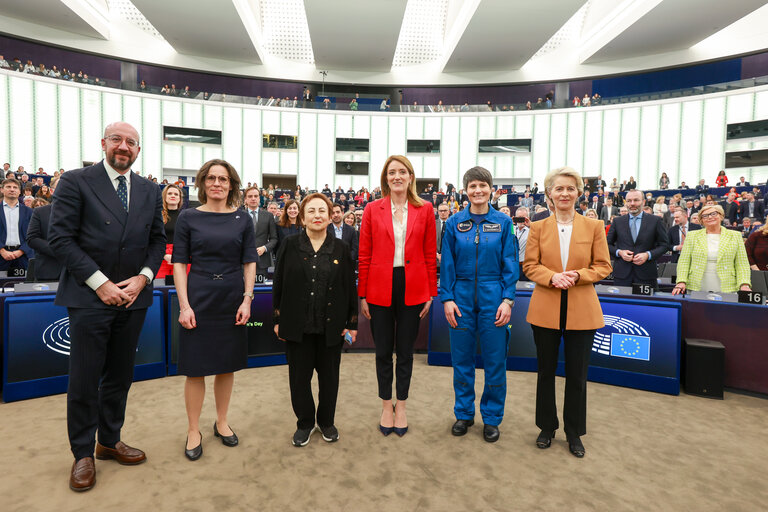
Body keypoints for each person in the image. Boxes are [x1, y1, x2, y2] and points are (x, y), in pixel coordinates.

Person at [48, 122, 166, 491]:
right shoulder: (76, 181)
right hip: (89, 296)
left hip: (132, 297)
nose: (124, 146)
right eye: (117, 139)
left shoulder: (149, 189)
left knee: (120, 374)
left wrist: (144, 277)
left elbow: (157, 242)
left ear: (138, 150)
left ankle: (108, 441)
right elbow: (60, 238)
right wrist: (100, 283)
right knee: (84, 377)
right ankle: (82, 453)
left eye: (131, 142)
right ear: (103, 143)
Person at [523, 166, 611, 458]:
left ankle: (574, 432)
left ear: (579, 193)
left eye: (570, 188)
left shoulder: (594, 227)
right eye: (558, 188)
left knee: (577, 375)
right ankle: (546, 427)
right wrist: (551, 277)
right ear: (549, 194)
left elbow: (603, 266)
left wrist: (577, 276)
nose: (564, 193)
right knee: (545, 372)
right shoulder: (537, 227)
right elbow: (530, 265)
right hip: (545, 307)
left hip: (582, 310)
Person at [172, 159, 257, 461]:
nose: (217, 183)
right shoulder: (187, 217)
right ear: (203, 182)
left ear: (232, 184)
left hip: (232, 298)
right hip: (198, 297)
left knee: (226, 364)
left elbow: (249, 261)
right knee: (195, 368)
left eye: (223, 179)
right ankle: (193, 429)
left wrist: (247, 299)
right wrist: (184, 305)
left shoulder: (243, 218)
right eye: (211, 178)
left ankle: (221, 422)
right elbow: (179, 263)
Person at [358, 155, 437, 437]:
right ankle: (385, 404)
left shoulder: (425, 209)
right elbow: (364, 255)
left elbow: (430, 254)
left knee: (405, 352)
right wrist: (363, 294)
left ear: (410, 177)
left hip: (413, 285)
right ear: (386, 178)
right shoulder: (371, 209)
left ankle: (401, 406)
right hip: (379, 286)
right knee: (382, 352)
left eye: (402, 172)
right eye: (391, 172)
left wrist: (430, 292)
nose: (397, 177)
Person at [439, 166, 519, 443]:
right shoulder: (453, 224)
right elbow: (446, 264)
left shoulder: (504, 223)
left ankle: (492, 417)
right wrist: (447, 298)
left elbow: (511, 263)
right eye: (472, 186)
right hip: (460, 296)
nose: (478, 191)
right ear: (465, 191)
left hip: (493, 296)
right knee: (461, 361)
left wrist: (507, 300)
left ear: (491, 189)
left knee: (495, 362)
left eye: (483, 185)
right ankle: (464, 413)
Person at [272, 193, 358, 446]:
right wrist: (277, 318)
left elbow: (348, 287)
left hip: (331, 327)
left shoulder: (341, 248)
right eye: (311, 211)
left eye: (322, 210)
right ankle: (305, 423)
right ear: (302, 216)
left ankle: (327, 422)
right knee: (299, 379)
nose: (317, 215)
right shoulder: (289, 245)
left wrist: (351, 323)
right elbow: (279, 284)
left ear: (331, 215)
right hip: (297, 325)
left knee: (329, 378)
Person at [672, 204, 751, 295]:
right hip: (696, 286)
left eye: (713, 214)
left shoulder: (735, 235)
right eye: (705, 216)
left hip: (728, 286)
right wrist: (681, 281)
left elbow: (742, 264)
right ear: (701, 220)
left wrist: (744, 284)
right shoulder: (692, 236)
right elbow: (684, 262)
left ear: (721, 216)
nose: (710, 217)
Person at [606, 189, 669, 287]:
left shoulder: (655, 221)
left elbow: (664, 245)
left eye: (636, 200)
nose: (632, 203)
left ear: (643, 202)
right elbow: (607, 244)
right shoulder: (617, 222)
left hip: (647, 275)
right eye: (629, 201)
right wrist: (620, 253)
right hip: (622, 275)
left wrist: (648, 255)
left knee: (646, 302)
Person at [25, 180, 62, 281]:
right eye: (62, 186)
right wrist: (61, 251)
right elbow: (32, 238)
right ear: (52, 190)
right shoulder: (40, 212)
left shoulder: (83, 212)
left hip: (78, 273)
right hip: (48, 272)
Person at [0, 177, 34, 273]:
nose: (12, 189)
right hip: (1, 256)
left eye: (15, 187)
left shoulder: (29, 212)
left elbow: (34, 235)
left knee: (24, 286)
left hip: (23, 256)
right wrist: (2, 251)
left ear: (20, 191)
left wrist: (21, 251)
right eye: (8, 187)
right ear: (2, 190)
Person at [243, 186, 277, 275]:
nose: (253, 198)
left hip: (262, 261)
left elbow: (274, 239)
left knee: (262, 289)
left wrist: (265, 248)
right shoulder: (239, 216)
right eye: (250, 196)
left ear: (259, 198)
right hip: (243, 261)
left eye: (256, 196)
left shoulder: (268, 216)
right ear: (245, 199)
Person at [156, 184, 184, 280]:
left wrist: (178, 255)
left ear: (180, 199)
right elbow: (151, 239)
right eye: (170, 193)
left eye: (176, 194)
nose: (173, 196)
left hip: (181, 257)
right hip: (161, 257)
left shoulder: (185, 217)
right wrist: (164, 254)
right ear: (164, 196)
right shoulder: (157, 216)